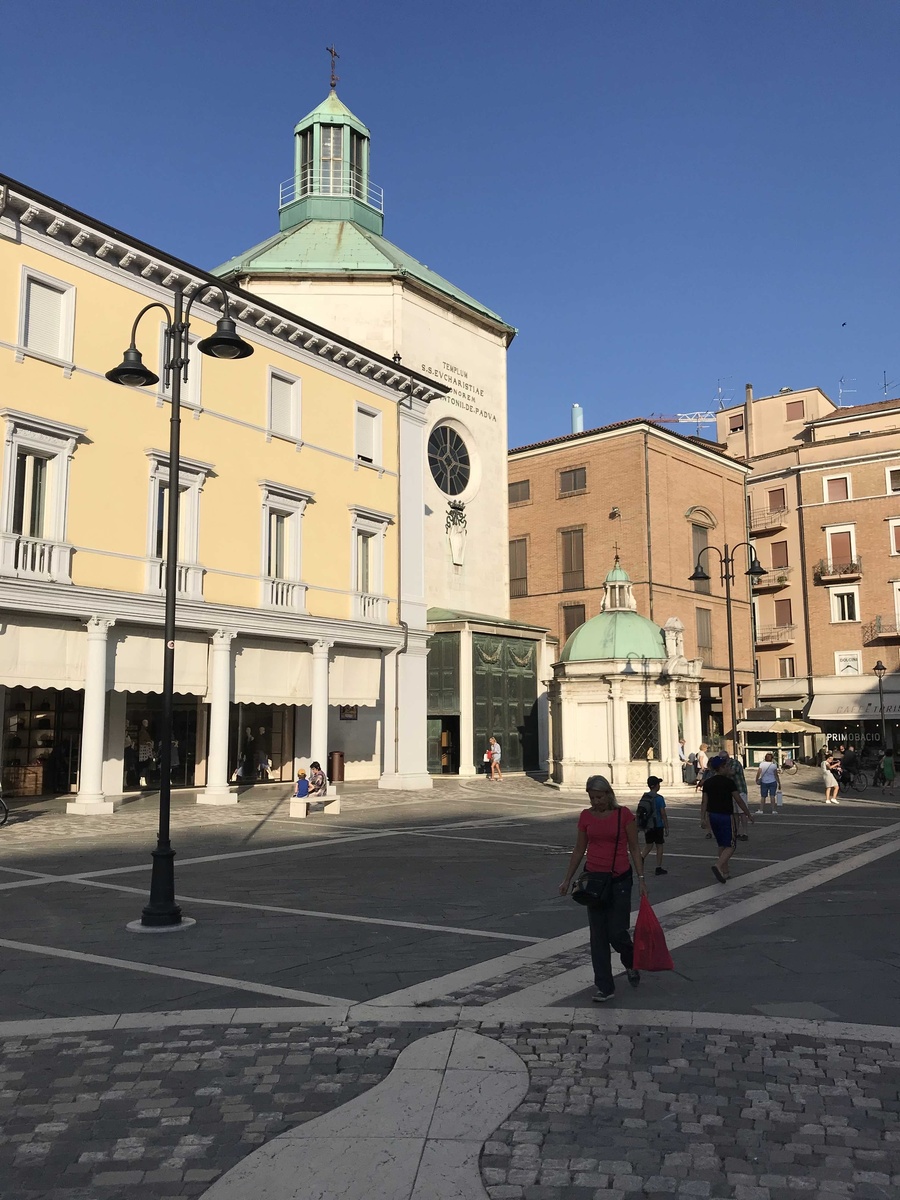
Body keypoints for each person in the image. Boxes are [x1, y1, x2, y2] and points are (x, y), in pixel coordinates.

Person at [558, 775, 647, 1003]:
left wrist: (642, 878)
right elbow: (579, 849)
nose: (595, 801)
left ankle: (630, 960)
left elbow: (635, 848)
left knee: (617, 931)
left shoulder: (624, 815)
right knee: (598, 936)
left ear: (608, 794)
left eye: (598, 797)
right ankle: (605, 986)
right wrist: (567, 879)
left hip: (619, 880)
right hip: (593, 881)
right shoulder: (586, 817)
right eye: (591, 797)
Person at [701, 754, 754, 883]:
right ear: (722, 767)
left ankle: (725, 872)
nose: (728, 768)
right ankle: (718, 865)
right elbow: (738, 800)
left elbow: (704, 802)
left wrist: (702, 818)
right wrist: (748, 814)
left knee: (721, 844)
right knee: (731, 845)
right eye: (726, 766)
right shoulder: (729, 782)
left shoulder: (708, 783)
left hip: (713, 816)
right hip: (726, 816)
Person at [639, 775, 669, 875]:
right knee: (659, 846)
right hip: (658, 825)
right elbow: (663, 813)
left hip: (648, 825)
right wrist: (667, 827)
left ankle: (641, 859)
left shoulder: (645, 797)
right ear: (656, 786)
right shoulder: (659, 798)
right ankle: (658, 867)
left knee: (648, 845)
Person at [728, 755, 752, 836]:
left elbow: (732, 772)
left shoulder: (735, 763)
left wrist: (722, 771)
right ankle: (736, 832)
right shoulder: (725, 765)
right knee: (735, 813)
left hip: (740, 790)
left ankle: (744, 833)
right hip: (731, 791)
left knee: (742, 812)